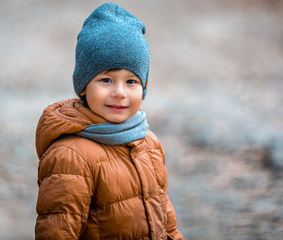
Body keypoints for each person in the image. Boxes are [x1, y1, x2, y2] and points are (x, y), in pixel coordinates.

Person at [34, 2, 184, 240]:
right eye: (106, 80)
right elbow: (57, 232)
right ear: (84, 87)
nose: (120, 93)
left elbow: (167, 223)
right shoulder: (70, 156)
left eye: (131, 81)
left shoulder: (148, 143)